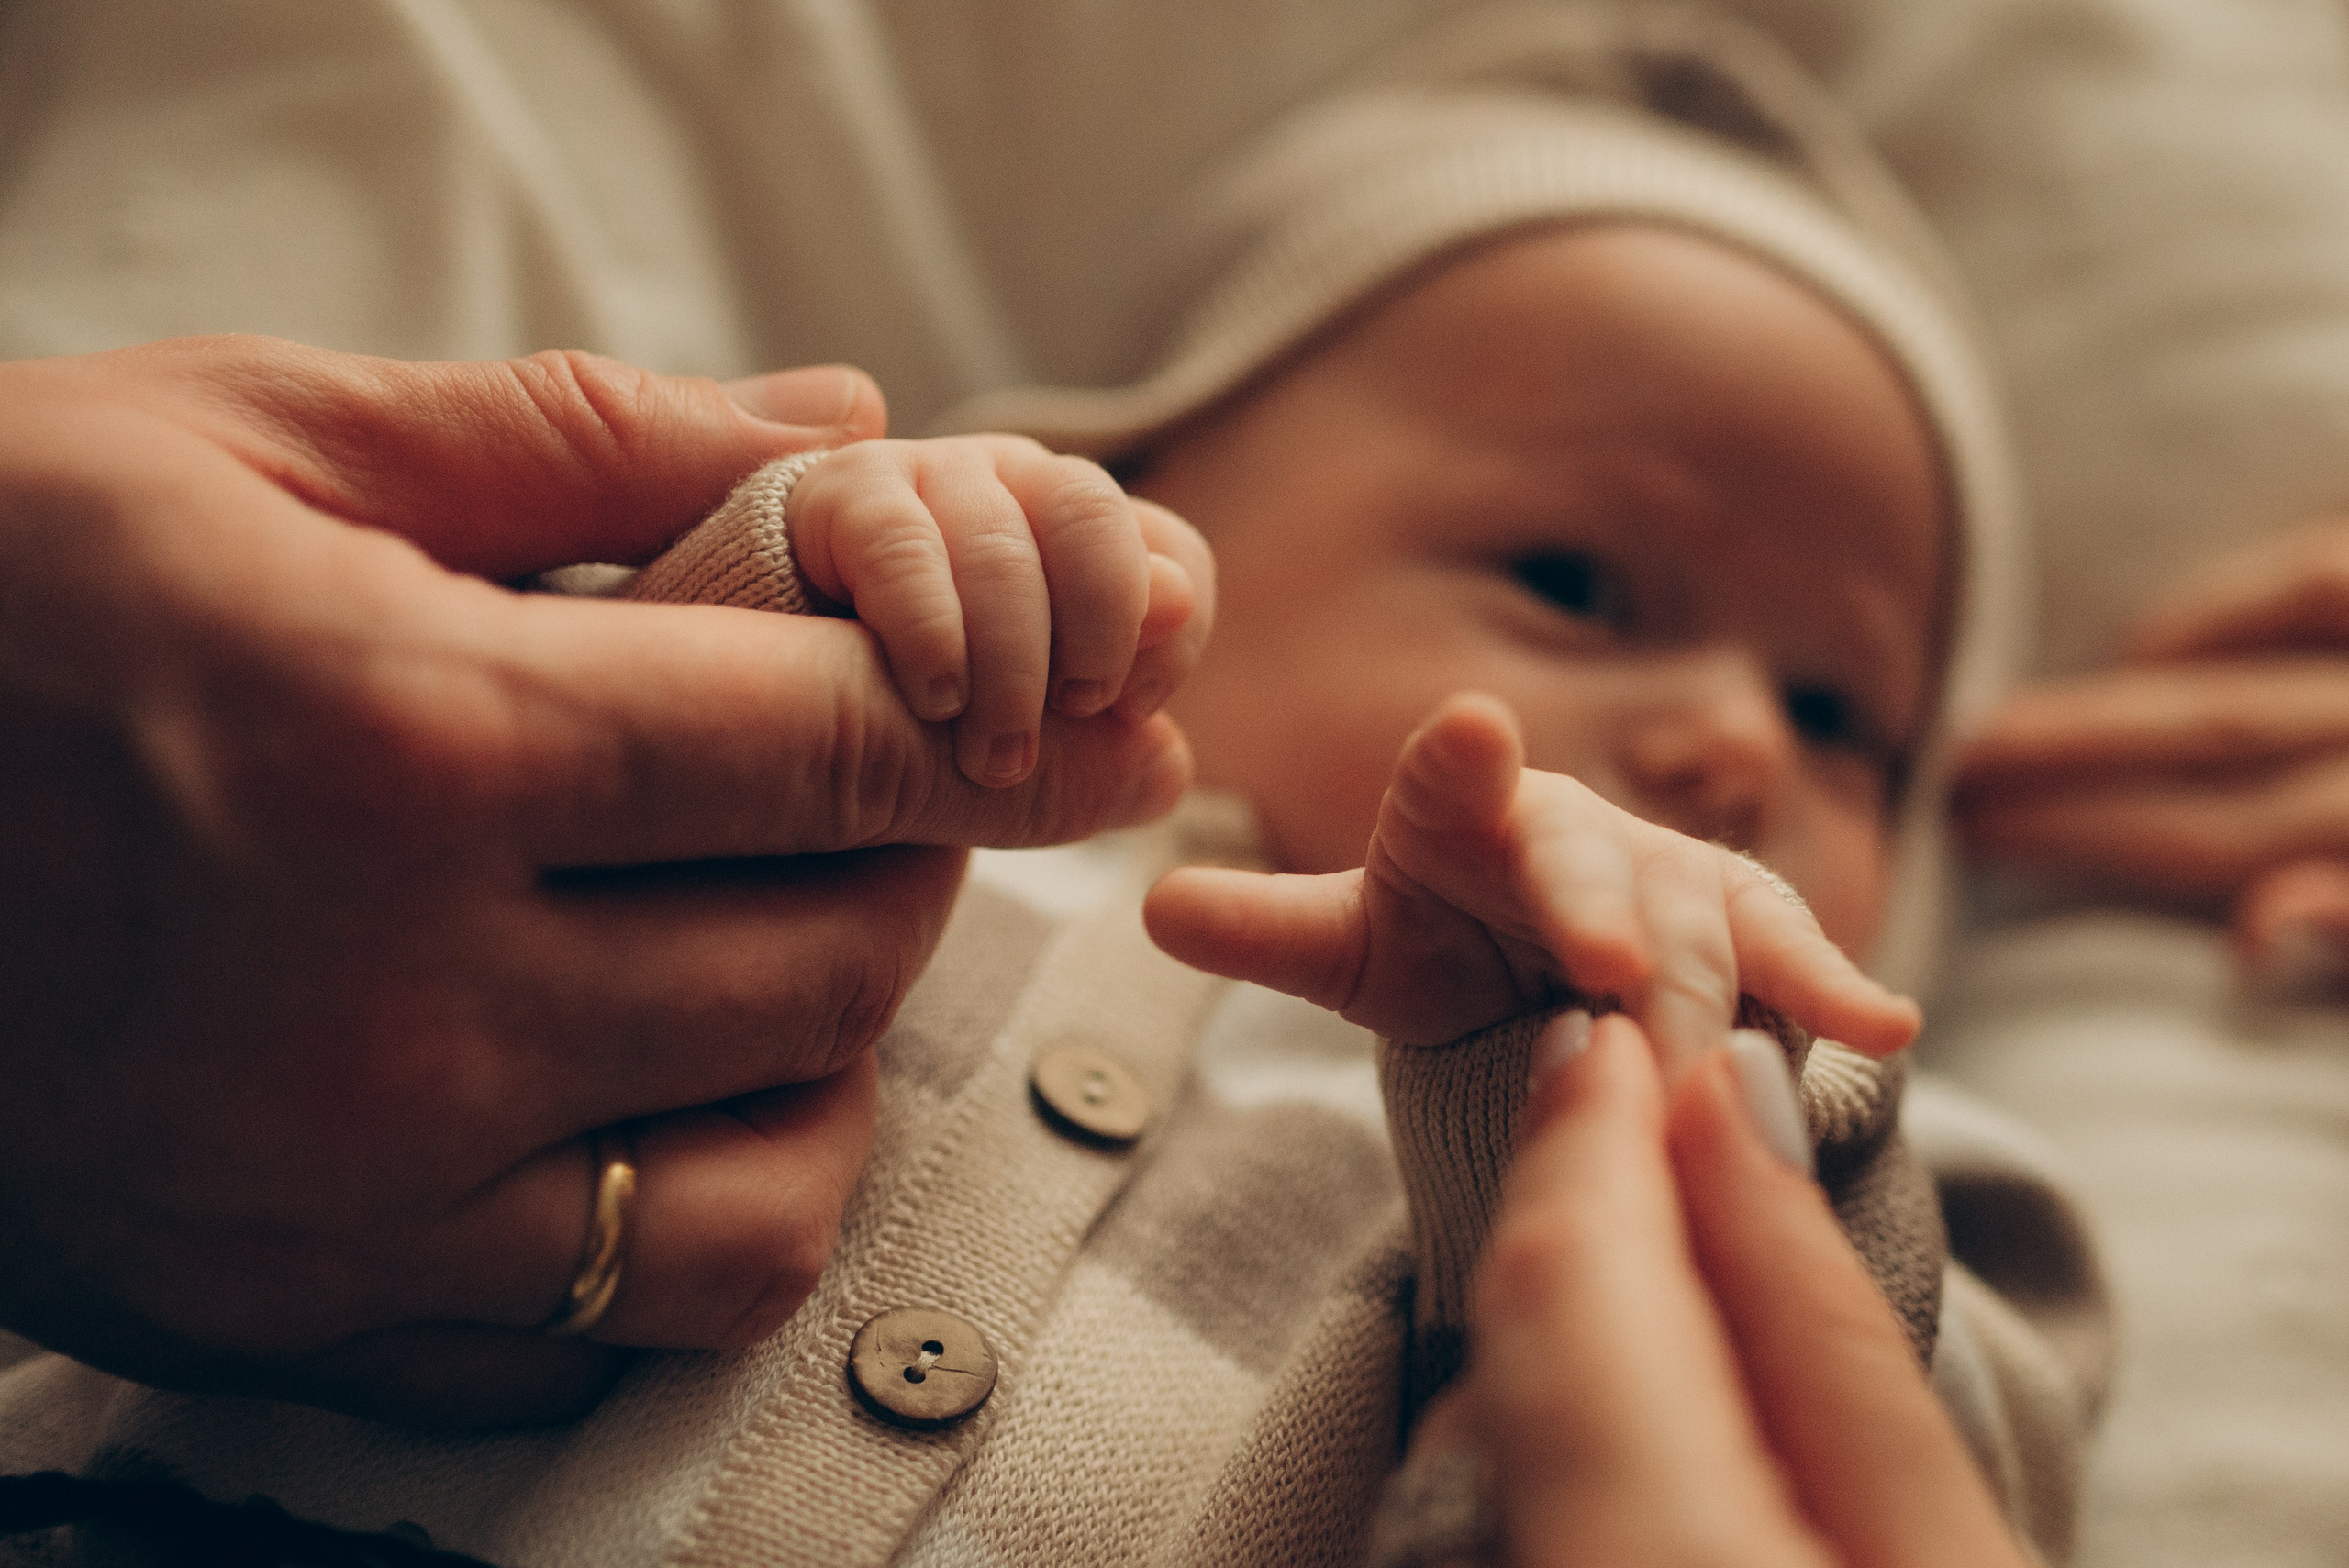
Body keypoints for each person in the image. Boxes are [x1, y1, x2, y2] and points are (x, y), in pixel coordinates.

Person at [0, 17, 2099, 1566]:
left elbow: (1907, 1467)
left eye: (1845, 717)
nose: (1736, 737)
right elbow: (494, 777)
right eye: (1572, 577)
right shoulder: (938, 824)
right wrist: (829, 567)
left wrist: (1592, 1090)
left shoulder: (1855, 1131)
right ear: (1138, 501)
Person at [0, 336, 1208, 1426]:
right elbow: (582, 721)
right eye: (1412, 548)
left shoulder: (1355, 1082)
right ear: (1156, 449)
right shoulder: (379, 813)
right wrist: (822, 548)